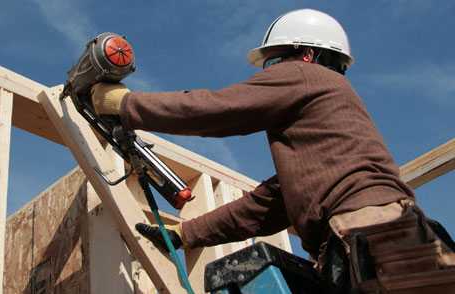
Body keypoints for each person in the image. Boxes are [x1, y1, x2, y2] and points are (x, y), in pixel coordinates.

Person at [91, 9, 455, 292]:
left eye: (275, 61)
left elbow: (218, 108)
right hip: (389, 243)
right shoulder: (329, 142)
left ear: (308, 55)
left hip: (377, 240)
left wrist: (123, 103)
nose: (271, 73)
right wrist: (187, 234)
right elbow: (270, 204)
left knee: (247, 274)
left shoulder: (308, 76)